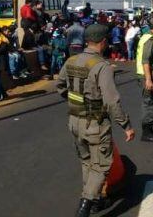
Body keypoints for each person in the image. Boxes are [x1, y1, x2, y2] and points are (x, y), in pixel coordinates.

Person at [58, 24, 135, 217]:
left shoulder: (71, 61)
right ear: (103, 41)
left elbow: (60, 86)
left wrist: (77, 99)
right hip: (95, 124)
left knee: (87, 162)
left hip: (75, 121)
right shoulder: (102, 67)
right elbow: (111, 101)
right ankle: (85, 205)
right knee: (101, 165)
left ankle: (95, 200)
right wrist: (126, 125)